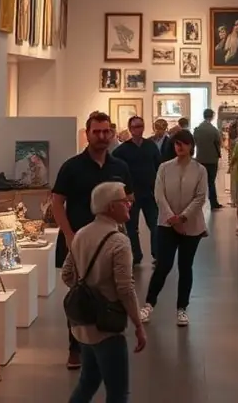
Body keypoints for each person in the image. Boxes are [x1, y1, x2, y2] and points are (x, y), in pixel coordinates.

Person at [52, 112, 135, 370]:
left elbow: (129, 198)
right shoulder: (71, 167)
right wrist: (69, 234)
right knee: (80, 293)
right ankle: (75, 348)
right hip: (80, 241)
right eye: (96, 132)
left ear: (111, 133)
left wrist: (122, 224)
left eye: (106, 131)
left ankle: (106, 342)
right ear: (87, 134)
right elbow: (57, 203)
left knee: (112, 291)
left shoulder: (120, 167)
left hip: (111, 240)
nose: (102, 136)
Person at [61, 182, 147, 403]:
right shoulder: (119, 241)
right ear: (111, 206)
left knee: (87, 382)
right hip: (107, 327)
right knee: (118, 393)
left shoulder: (81, 234)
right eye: (124, 201)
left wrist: (87, 290)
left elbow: (67, 275)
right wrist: (138, 324)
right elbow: (125, 289)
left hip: (83, 323)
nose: (129, 204)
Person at [140, 130, 207, 327]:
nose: (180, 147)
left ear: (191, 145)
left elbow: (200, 197)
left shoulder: (200, 170)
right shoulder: (164, 168)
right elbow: (159, 195)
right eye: (177, 143)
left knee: (185, 266)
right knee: (163, 265)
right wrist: (172, 218)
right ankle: (149, 304)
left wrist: (183, 217)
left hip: (191, 226)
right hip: (166, 225)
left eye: (184, 143)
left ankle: (182, 308)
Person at [112, 116, 162, 266]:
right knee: (131, 226)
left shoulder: (150, 146)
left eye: (140, 126)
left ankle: (157, 253)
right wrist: (123, 191)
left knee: (154, 224)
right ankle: (135, 254)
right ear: (130, 129)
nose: (138, 130)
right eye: (135, 127)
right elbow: (116, 170)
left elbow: (159, 167)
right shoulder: (122, 150)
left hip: (150, 193)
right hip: (131, 194)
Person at [193, 109, 224, 210]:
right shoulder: (214, 130)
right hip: (212, 159)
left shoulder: (197, 129)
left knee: (199, 182)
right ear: (212, 116)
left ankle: (197, 203)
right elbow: (219, 142)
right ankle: (213, 203)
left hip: (200, 158)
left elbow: (194, 142)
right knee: (211, 182)